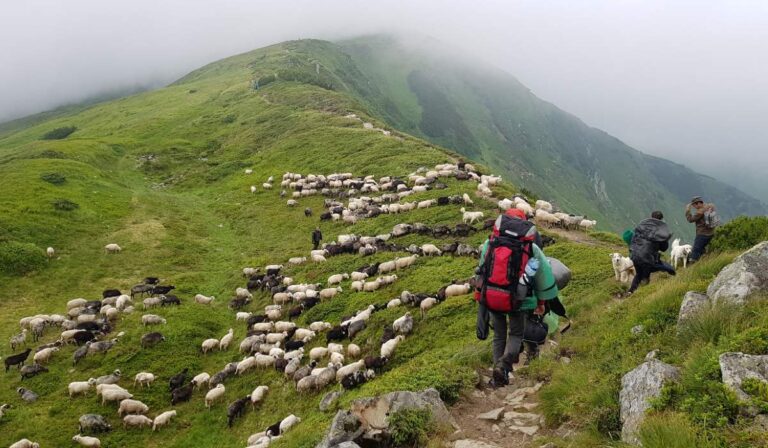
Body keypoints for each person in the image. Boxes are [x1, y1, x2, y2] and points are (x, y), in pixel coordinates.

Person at [475, 208, 559, 387]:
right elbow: (542, 277)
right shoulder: (531, 248)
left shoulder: (491, 242)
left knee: (499, 335)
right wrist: (541, 302)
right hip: (519, 300)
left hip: (493, 296)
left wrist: (480, 296)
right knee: (515, 334)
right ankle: (503, 367)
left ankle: (496, 376)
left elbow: (481, 270)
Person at [625, 211, 674, 296]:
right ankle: (643, 294)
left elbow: (633, 239)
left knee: (639, 274)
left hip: (635, 254)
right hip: (647, 258)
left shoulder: (642, 225)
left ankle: (631, 291)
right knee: (647, 275)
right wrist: (665, 240)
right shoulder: (660, 232)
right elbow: (663, 248)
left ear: (651, 217)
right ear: (661, 219)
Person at [685, 196, 717, 262]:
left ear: (698, 203)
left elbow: (690, 220)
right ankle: (703, 261)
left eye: (694, 205)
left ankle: (692, 264)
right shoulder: (710, 207)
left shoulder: (699, 212)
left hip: (702, 234)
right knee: (702, 249)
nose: (694, 207)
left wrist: (688, 211)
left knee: (695, 251)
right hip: (711, 233)